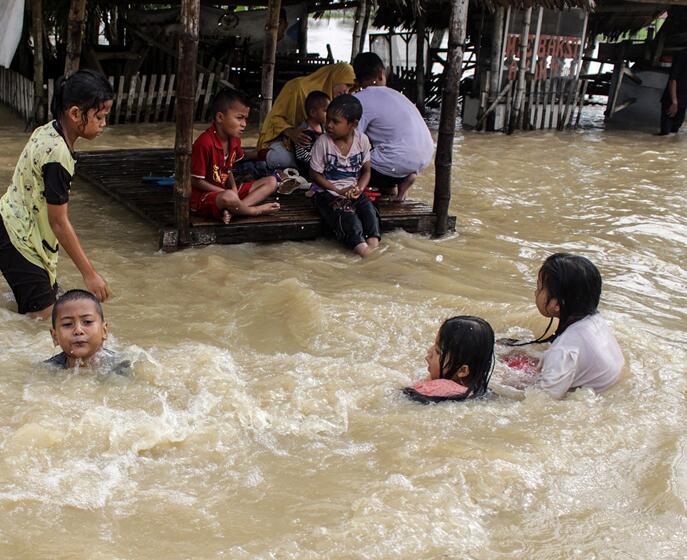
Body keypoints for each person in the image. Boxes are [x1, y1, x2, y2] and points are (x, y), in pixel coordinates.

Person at [0, 70, 112, 320]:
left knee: (51, 307)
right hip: (19, 238)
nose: (104, 124)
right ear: (74, 114)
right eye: (100, 117)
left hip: (10, 222)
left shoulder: (47, 130)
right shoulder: (58, 155)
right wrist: (89, 273)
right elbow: (58, 222)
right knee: (45, 322)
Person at [531, 253, 624, 399]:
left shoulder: (563, 350)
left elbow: (541, 399)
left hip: (593, 403)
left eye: (540, 287)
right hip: (610, 388)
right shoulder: (595, 321)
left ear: (556, 304)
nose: (535, 292)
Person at [352, 52, 434, 201]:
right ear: (381, 73)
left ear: (357, 79)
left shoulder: (359, 99)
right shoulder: (398, 95)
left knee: (346, 161)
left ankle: (393, 183)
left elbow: (351, 140)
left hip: (394, 162)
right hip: (423, 157)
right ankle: (400, 184)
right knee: (380, 150)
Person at [191, 88, 280, 224]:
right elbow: (196, 181)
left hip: (227, 192)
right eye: (239, 118)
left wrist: (233, 188)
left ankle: (235, 209)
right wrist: (227, 192)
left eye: (245, 119)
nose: (244, 124)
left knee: (271, 182)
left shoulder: (234, 140)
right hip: (205, 198)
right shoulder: (204, 143)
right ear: (220, 117)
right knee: (228, 197)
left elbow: (229, 169)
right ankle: (252, 210)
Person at [310, 94, 380, 257]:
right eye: (328, 120)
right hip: (325, 192)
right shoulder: (323, 142)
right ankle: (364, 252)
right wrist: (337, 190)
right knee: (346, 214)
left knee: (369, 211)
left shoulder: (362, 140)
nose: (329, 125)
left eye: (335, 121)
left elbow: (366, 171)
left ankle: (374, 247)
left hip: (351, 190)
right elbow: (314, 175)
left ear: (353, 124)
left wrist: (359, 188)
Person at [257, 63, 356, 169]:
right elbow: (274, 119)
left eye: (350, 88)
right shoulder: (296, 87)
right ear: (335, 77)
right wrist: (291, 132)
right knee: (284, 159)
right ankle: (262, 156)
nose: (347, 91)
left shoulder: (333, 100)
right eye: (347, 85)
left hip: (313, 149)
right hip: (285, 140)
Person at [404, 316, 495, 404]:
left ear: (462, 370)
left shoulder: (440, 388)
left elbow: (400, 395)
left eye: (438, 351)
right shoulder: (479, 391)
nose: (429, 351)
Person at [46, 289, 130, 373]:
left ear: (104, 331)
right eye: (67, 324)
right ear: (55, 336)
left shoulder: (121, 366)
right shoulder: (48, 370)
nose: (78, 330)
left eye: (87, 322)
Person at [293, 90, 330, 177]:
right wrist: (319, 163)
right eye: (325, 111)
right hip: (308, 171)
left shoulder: (324, 128)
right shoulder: (304, 132)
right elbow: (302, 156)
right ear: (313, 112)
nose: (329, 114)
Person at [659, 47, 687, 135]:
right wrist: (674, 102)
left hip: (683, 102)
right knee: (665, 133)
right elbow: (672, 80)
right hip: (672, 100)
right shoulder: (682, 55)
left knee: (674, 133)